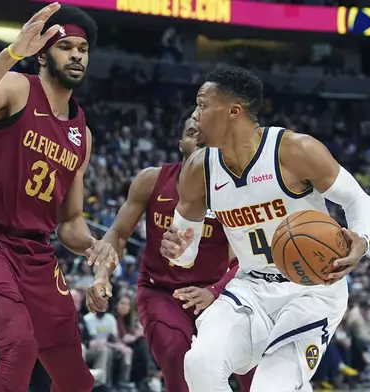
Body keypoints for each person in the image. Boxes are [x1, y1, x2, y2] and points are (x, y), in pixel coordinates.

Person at [160, 67, 370, 391]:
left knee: (270, 386)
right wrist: (177, 251)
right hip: (250, 288)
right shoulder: (198, 169)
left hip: (312, 288)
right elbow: (185, 254)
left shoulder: (294, 150)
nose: (195, 114)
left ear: (233, 111)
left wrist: (360, 241)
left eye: (203, 104)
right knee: (199, 364)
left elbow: (359, 201)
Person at [0, 3, 117, 391]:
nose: (75, 55)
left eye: (82, 49)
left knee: (77, 379)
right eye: (65, 46)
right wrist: (11, 53)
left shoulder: (81, 134)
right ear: (42, 54)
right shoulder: (18, 87)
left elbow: (69, 222)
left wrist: (92, 245)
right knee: (19, 343)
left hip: (34, 252)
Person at [89, 110, 254, 391]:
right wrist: (102, 276)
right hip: (161, 292)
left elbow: (247, 259)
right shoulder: (152, 180)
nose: (200, 139)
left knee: (254, 370)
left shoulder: (238, 194)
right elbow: (118, 233)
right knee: (179, 365)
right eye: (192, 133)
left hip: (216, 294)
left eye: (207, 135)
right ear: (181, 144)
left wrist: (214, 292)